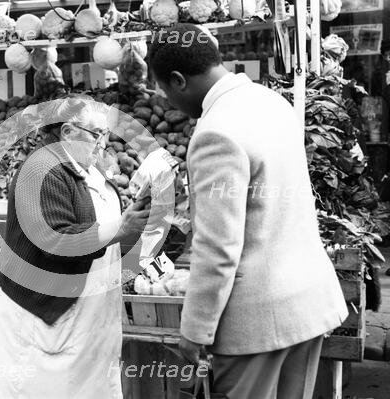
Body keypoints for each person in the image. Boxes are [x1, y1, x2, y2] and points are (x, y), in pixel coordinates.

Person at [148, 24, 348, 398]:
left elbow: (217, 247)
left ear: (177, 80)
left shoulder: (215, 133)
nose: (166, 101)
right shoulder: (271, 101)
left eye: (163, 89)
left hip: (256, 322)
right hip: (306, 304)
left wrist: (195, 331)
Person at [0, 96, 151, 399]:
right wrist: (121, 228)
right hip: (46, 313)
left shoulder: (87, 169)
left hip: (86, 314)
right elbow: (55, 241)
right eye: (96, 135)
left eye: (105, 135)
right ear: (67, 132)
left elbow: (98, 219)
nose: (103, 143)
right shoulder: (40, 171)